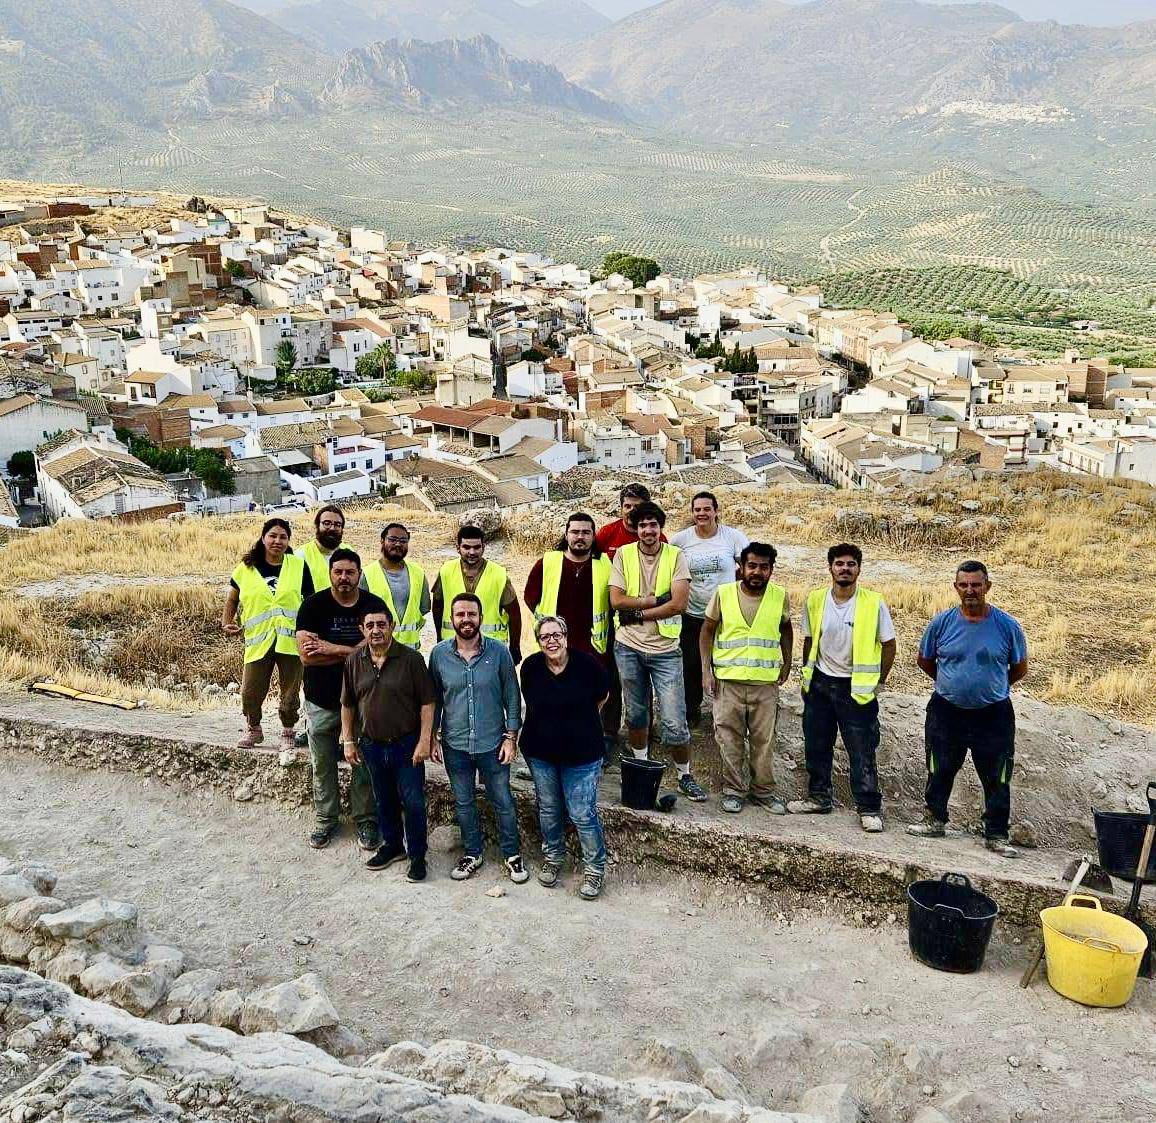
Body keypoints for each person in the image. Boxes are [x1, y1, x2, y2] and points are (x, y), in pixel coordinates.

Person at [908, 561, 1028, 858]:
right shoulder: (941, 623)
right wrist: (951, 684)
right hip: (946, 712)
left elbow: (1019, 668)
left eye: (976, 584)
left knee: (997, 775)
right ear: (956, 588)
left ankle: (997, 833)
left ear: (987, 586)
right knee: (940, 767)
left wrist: (991, 688)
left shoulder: (1008, 626)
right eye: (964, 585)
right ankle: (934, 819)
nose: (970, 590)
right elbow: (925, 661)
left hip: (994, 715)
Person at [789, 543, 897, 833]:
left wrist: (879, 682)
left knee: (861, 749)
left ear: (859, 568)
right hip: (821, 684)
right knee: (816, 744)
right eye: (839, 563)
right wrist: (806, 678)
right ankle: (819, 797)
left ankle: (869, 808)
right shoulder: (815, 600)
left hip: (855, 688)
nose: (845, 569)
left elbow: (889, 645)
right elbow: (810, 641)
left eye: (851, 564)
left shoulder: (873, 602)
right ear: (830, 567)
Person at [429, 592, 530, 883]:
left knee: (503, 800)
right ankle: (473, 852)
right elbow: (434, 699)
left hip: (493, 745)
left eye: (471, 614)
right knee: (464, 802)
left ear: (481, 618)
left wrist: (511, 737)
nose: (466, 620)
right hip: (455, 745)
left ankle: (512, 854)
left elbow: (512, 697)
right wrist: (433, 737)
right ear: (452, 619)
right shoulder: (438, 655)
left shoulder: (499, 653)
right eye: (460, 615)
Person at [609, 501, 706, 801]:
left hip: (665, 649)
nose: (648, 530)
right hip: (628, 647)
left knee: (675, 719)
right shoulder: (624, 555)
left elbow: (678, 604)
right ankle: (640, 763)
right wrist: (653, 602)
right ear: (636, 529)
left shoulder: (676, 556)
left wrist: (637, 613)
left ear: (660, 528)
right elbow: (616, 600)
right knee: (636, 713)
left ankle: (684, 775)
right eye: (642, 525)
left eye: (653, 524)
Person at [295, 547, 386, 852]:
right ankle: (325, 819)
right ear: (330, 574)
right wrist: (357, 652)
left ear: (359, 574)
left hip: (364, 702)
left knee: (364, 765)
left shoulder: (373, 605)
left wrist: (330, 649)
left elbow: (380, 652)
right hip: (322, 700)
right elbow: (307, 659)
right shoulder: (313, 606)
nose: (344, 577)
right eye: (338, 572)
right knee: (322, 764)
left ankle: (366, 820)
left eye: (350, 572)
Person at [340, 603, 436, 881]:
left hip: (406, 745)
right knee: (383, 800)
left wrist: (425, 741)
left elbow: (428, 703)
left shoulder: (411, 659)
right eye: (369, 626)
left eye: (381, 624)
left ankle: (417, 855)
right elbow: (347, 704)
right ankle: (393, 846)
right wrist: (348, 741)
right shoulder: (354, 661)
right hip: (371, 745)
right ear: (362, 630)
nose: (376, 630)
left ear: (391, 626)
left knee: (414, 802)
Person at [520, 614, 610, 900]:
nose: (551, 641)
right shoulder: (532, 667)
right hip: (541, 753)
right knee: (548, 808)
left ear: (566, 635)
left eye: (556, 634)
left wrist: (579, 723)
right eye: (545, 636)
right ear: (538, 642)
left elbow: (602, 696)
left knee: (583, 814)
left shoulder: (587, 665)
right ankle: (553, 857)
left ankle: (594, 870)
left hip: (583, 755)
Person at [699, 542, 791, 814]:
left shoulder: (779, 596)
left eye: (764, 567)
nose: (757, 572)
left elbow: (786, 629)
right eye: (752, 566)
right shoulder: (724, 594)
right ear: (741, 567)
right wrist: (707, 670)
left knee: (764, 742)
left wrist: (787, 662)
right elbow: (707, 631)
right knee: (729, 739)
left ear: (771, 570)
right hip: (729, 682)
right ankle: (733, 790)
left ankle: (763, 793)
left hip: (764, 684)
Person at [222, 518, 313, 750]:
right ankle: (254, 729)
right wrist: (226, 621)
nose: (277, 541)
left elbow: (311, 601)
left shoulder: (298, 566)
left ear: (288, 541)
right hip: (258, 640)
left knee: (290, 691)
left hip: (290, 640)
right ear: (263, 538)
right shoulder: (245, 568)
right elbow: (232, 598)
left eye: (283, 537)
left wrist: (311, 632)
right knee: (250, 691)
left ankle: (288, 732)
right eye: (273, 536)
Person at [672, 492, 749, 727]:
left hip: (726, 615)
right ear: (692, 513)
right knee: (691, 666)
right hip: (693, 614)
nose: (702, 514)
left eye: (707, 509)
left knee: (727, 665)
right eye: (697, 510)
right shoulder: (681, 540)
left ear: (716, 511)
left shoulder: (733, 537)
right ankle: (691, 711)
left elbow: (749, 564)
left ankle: (727, 716)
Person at [524, 512, 612, 660]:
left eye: (586, 532)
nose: (580, 537)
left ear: (593, 536)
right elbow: (530, 598)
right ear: (566, 534)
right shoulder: (547, 562)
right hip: (555, 645)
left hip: (594, 648)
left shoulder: (605, 563)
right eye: (575, 532)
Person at [432, 526, 522, 662]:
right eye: (466, 547)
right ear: (458, 548)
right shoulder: (446, 571)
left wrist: (514, 648)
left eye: (476, 547)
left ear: (483, 547)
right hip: (453, 647)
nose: (472, 552)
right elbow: (437, 606)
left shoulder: (499, 575)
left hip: (490, 650)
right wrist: (439, 638)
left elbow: (514, 614)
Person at [362, 522, 429, 649]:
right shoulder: (367, 574)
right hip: (379, 653)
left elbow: (423, 608)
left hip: (410, 653)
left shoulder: (418, 573)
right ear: (382, 541)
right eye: (392, 539)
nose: (398, 544)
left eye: (403, 541)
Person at [595, 482, 658, 560]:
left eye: (637, 507)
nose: (631, 511)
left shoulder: (657, 538)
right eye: (627, 506)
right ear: (621, 509)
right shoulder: (606, 534)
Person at [299, 505, 345, 591]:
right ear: (317, 526)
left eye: (337, 524)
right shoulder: (301, 555)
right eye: (327, 524)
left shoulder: (349, 551)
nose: (332, 528)